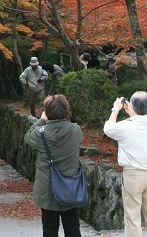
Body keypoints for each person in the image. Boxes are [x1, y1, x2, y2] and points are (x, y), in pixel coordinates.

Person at [103, 92, 147, 237]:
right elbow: (141, 121)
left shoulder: (126, 127)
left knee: (133, 217)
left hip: (134, 174)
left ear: (132, 106)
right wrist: (133, 113)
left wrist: (115, 109)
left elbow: (108, 129)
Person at [24, 95, 84, 237]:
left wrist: (41, 120)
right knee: (73, 226)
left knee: (50, 227)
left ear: (47, 112)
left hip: (48, 187)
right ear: (66, 110)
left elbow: (27, 137)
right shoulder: (75, 130)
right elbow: (79, 139)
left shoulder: (40, 134)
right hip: (71, 186)